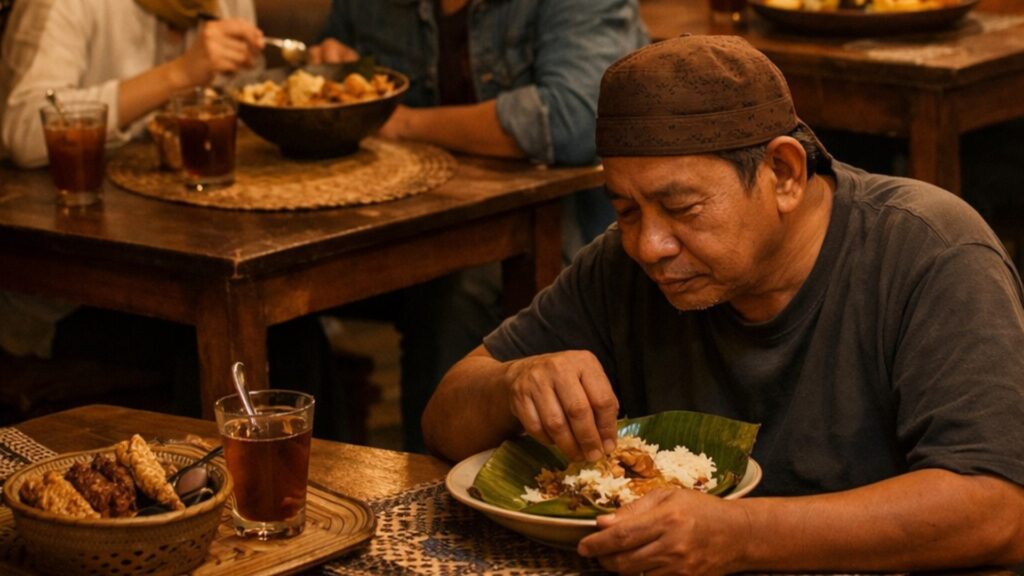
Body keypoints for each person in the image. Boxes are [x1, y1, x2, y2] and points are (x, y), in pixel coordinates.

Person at [422, 35, 1024, 573]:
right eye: (625, 210)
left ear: (784, 173)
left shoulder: (931, 252)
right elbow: (444, 419)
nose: (649, 246)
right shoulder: (622, 264)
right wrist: (514, 383)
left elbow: (998, 508)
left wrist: (739, 536)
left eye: (682, 208)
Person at [310, 0, 649, 452]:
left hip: (550, 225)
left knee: (455, 291)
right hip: (392, 221)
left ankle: (432, 479)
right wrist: (330, 66)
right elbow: (333, 62)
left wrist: (406, 123)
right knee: (287, 297)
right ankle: (310, 477)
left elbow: (570, 118)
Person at [0, 0, 344, 439]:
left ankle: (306, 480)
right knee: (229, 340)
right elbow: (22, 129)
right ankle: (205, 478)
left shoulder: (223, 6)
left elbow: (239, 111)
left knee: (292, 329)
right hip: (71, 293)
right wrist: (179, 74)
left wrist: (312, 77)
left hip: (189, 256)